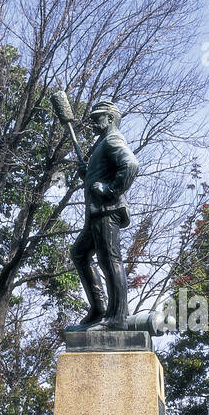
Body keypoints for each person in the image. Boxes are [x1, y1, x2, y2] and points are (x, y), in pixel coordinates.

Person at [67, 100, 139, 330]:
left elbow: (130, 165)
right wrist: (86, 174)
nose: (92, 122)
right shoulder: (102, 143)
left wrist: (110, 190)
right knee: (79, 254)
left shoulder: (112, 139)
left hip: (107, 211)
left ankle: (117, 318)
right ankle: (99, 309)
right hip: (96, 213)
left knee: (110, 261)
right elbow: (101, 172)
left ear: (110, 118)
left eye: (97, 117)